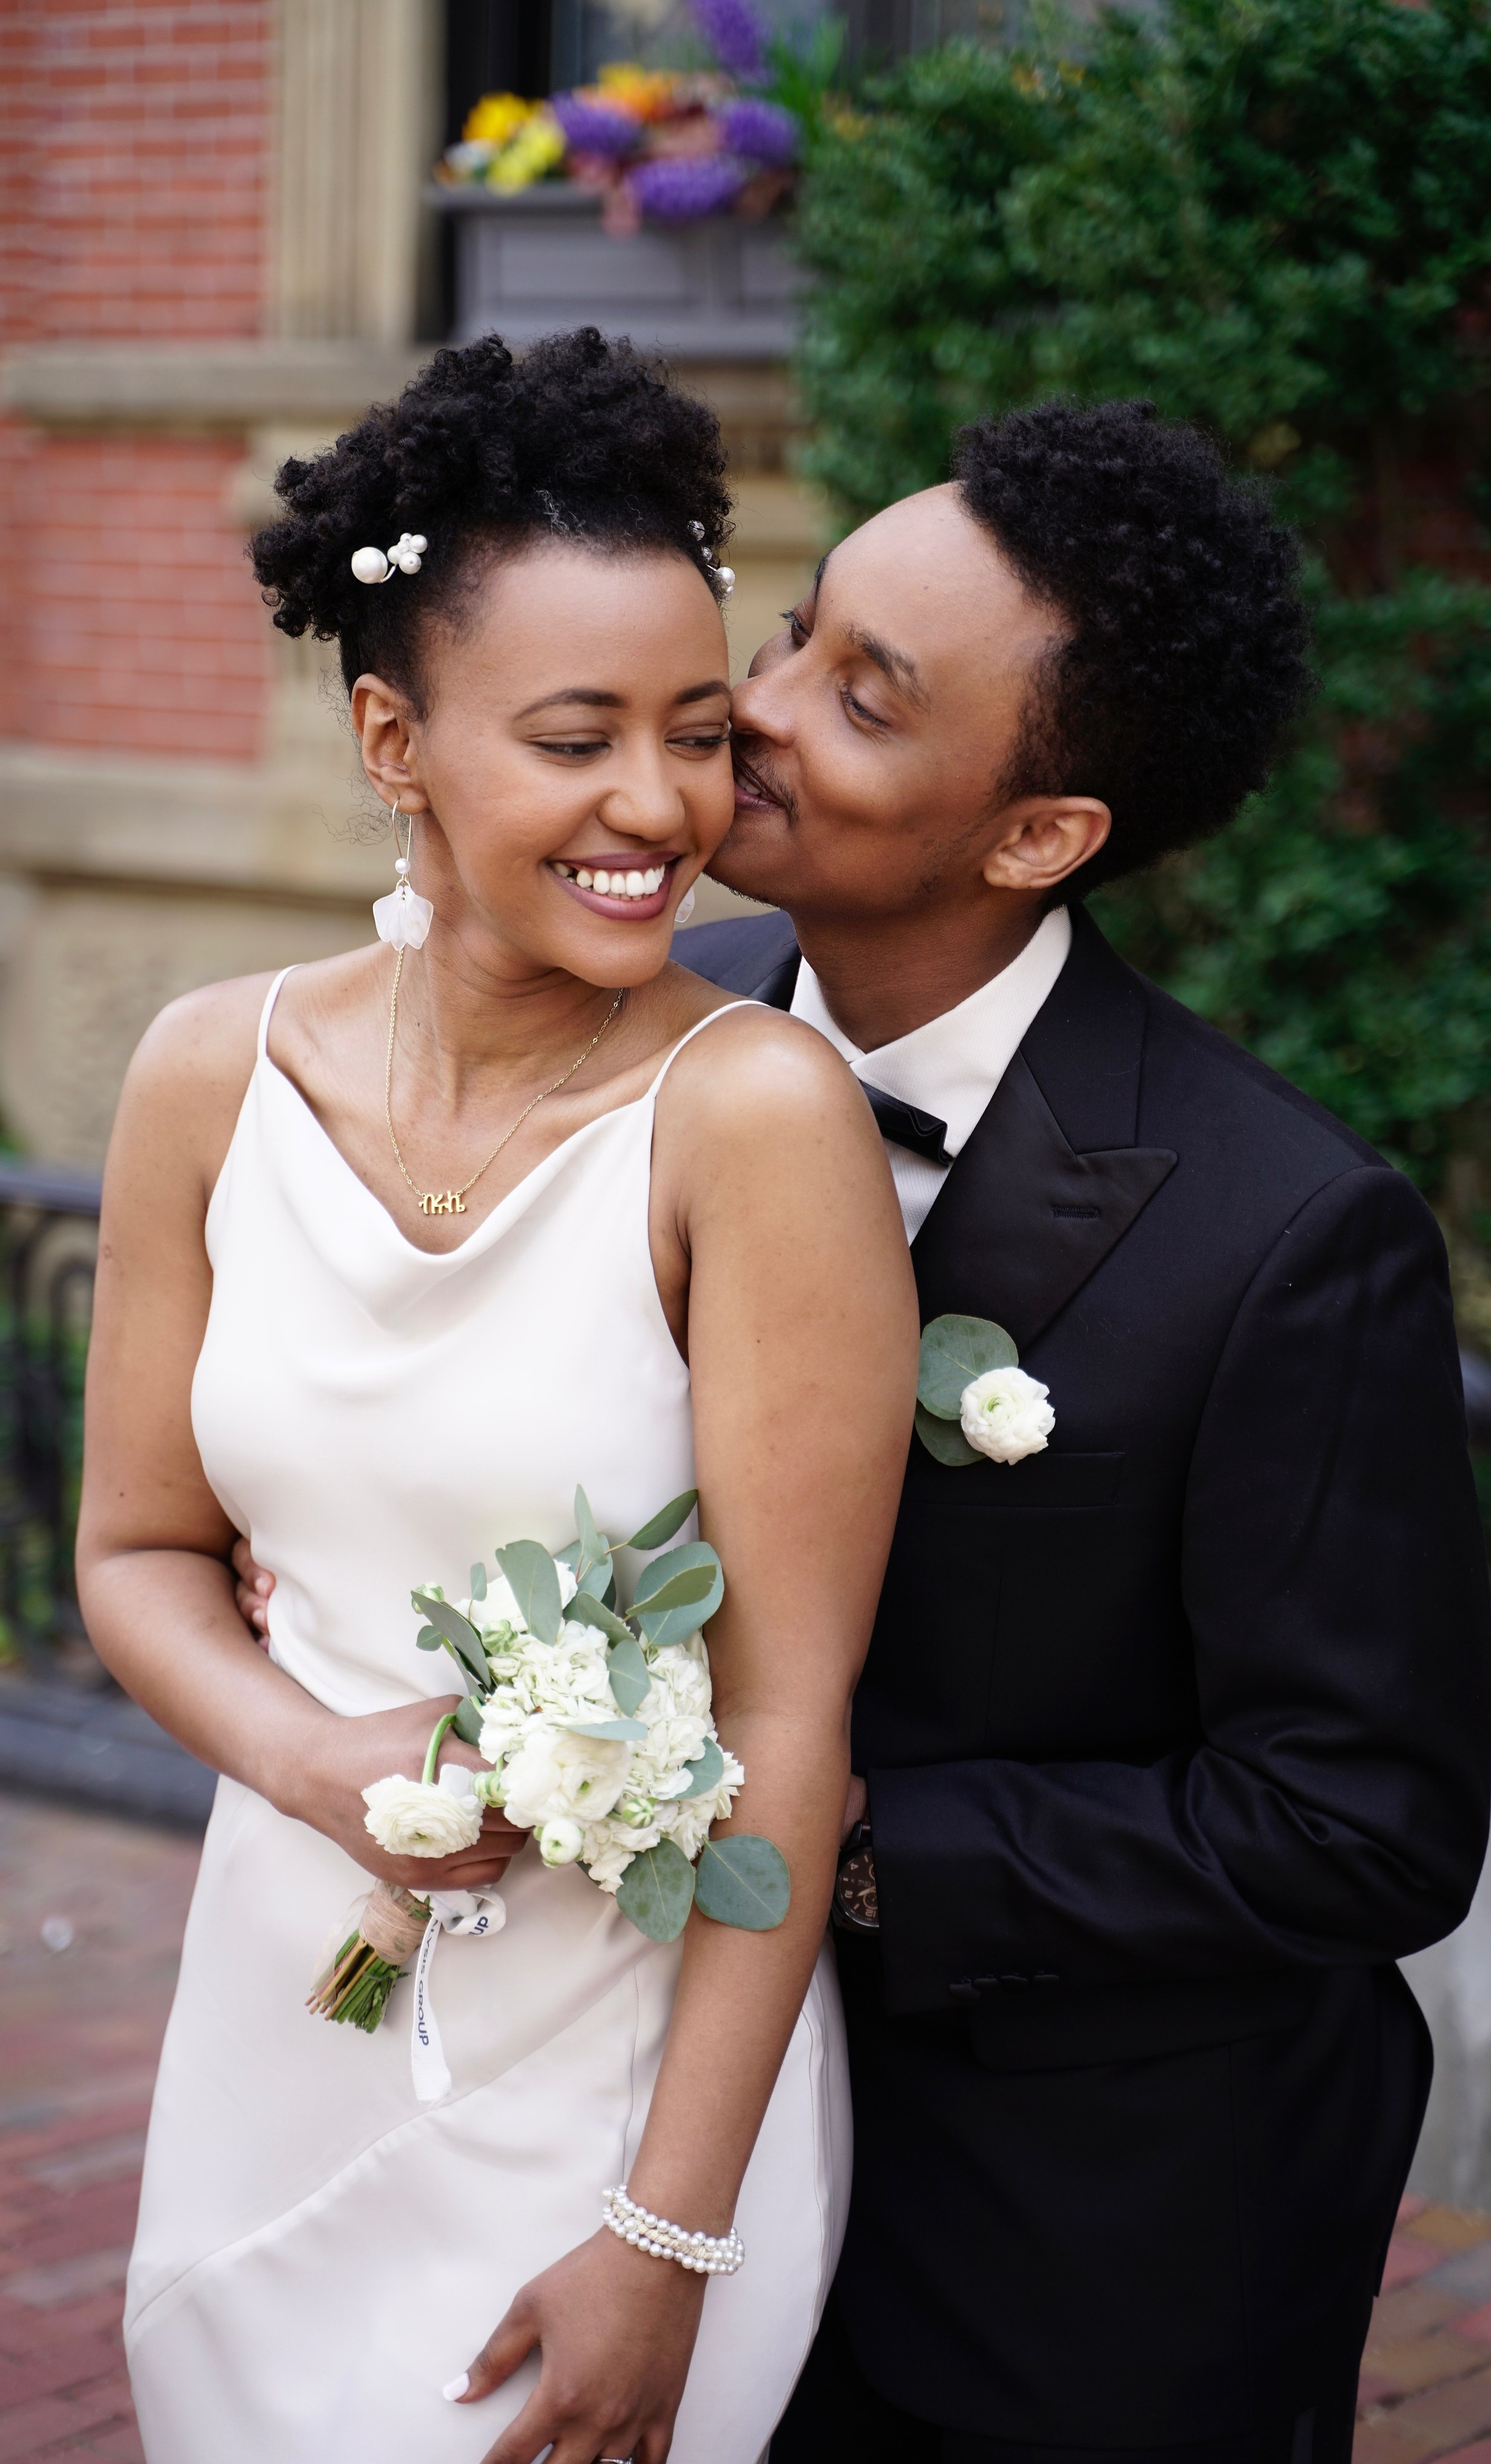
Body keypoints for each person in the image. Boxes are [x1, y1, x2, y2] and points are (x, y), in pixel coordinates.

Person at [75, 329, 916, 2464]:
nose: (661, 806)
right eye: (575, 738)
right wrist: (316, 1759)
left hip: (620, 2073)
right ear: (396, 738)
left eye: (699, 734)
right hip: (283, 2002)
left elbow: (790, 1719)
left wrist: (667, 2231)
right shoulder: (207, 1074)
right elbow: (137, 1554)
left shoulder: (757, 1116)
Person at [673, 400, 1491, 2463]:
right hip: (639, 2137)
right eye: (793, 631)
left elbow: (1359, 1824)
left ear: (1037, 838)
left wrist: (839, 1851)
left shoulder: (1293, 1235)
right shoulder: (633, 1024)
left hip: (1069, 2241)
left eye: (861, 696)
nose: (756, 708)